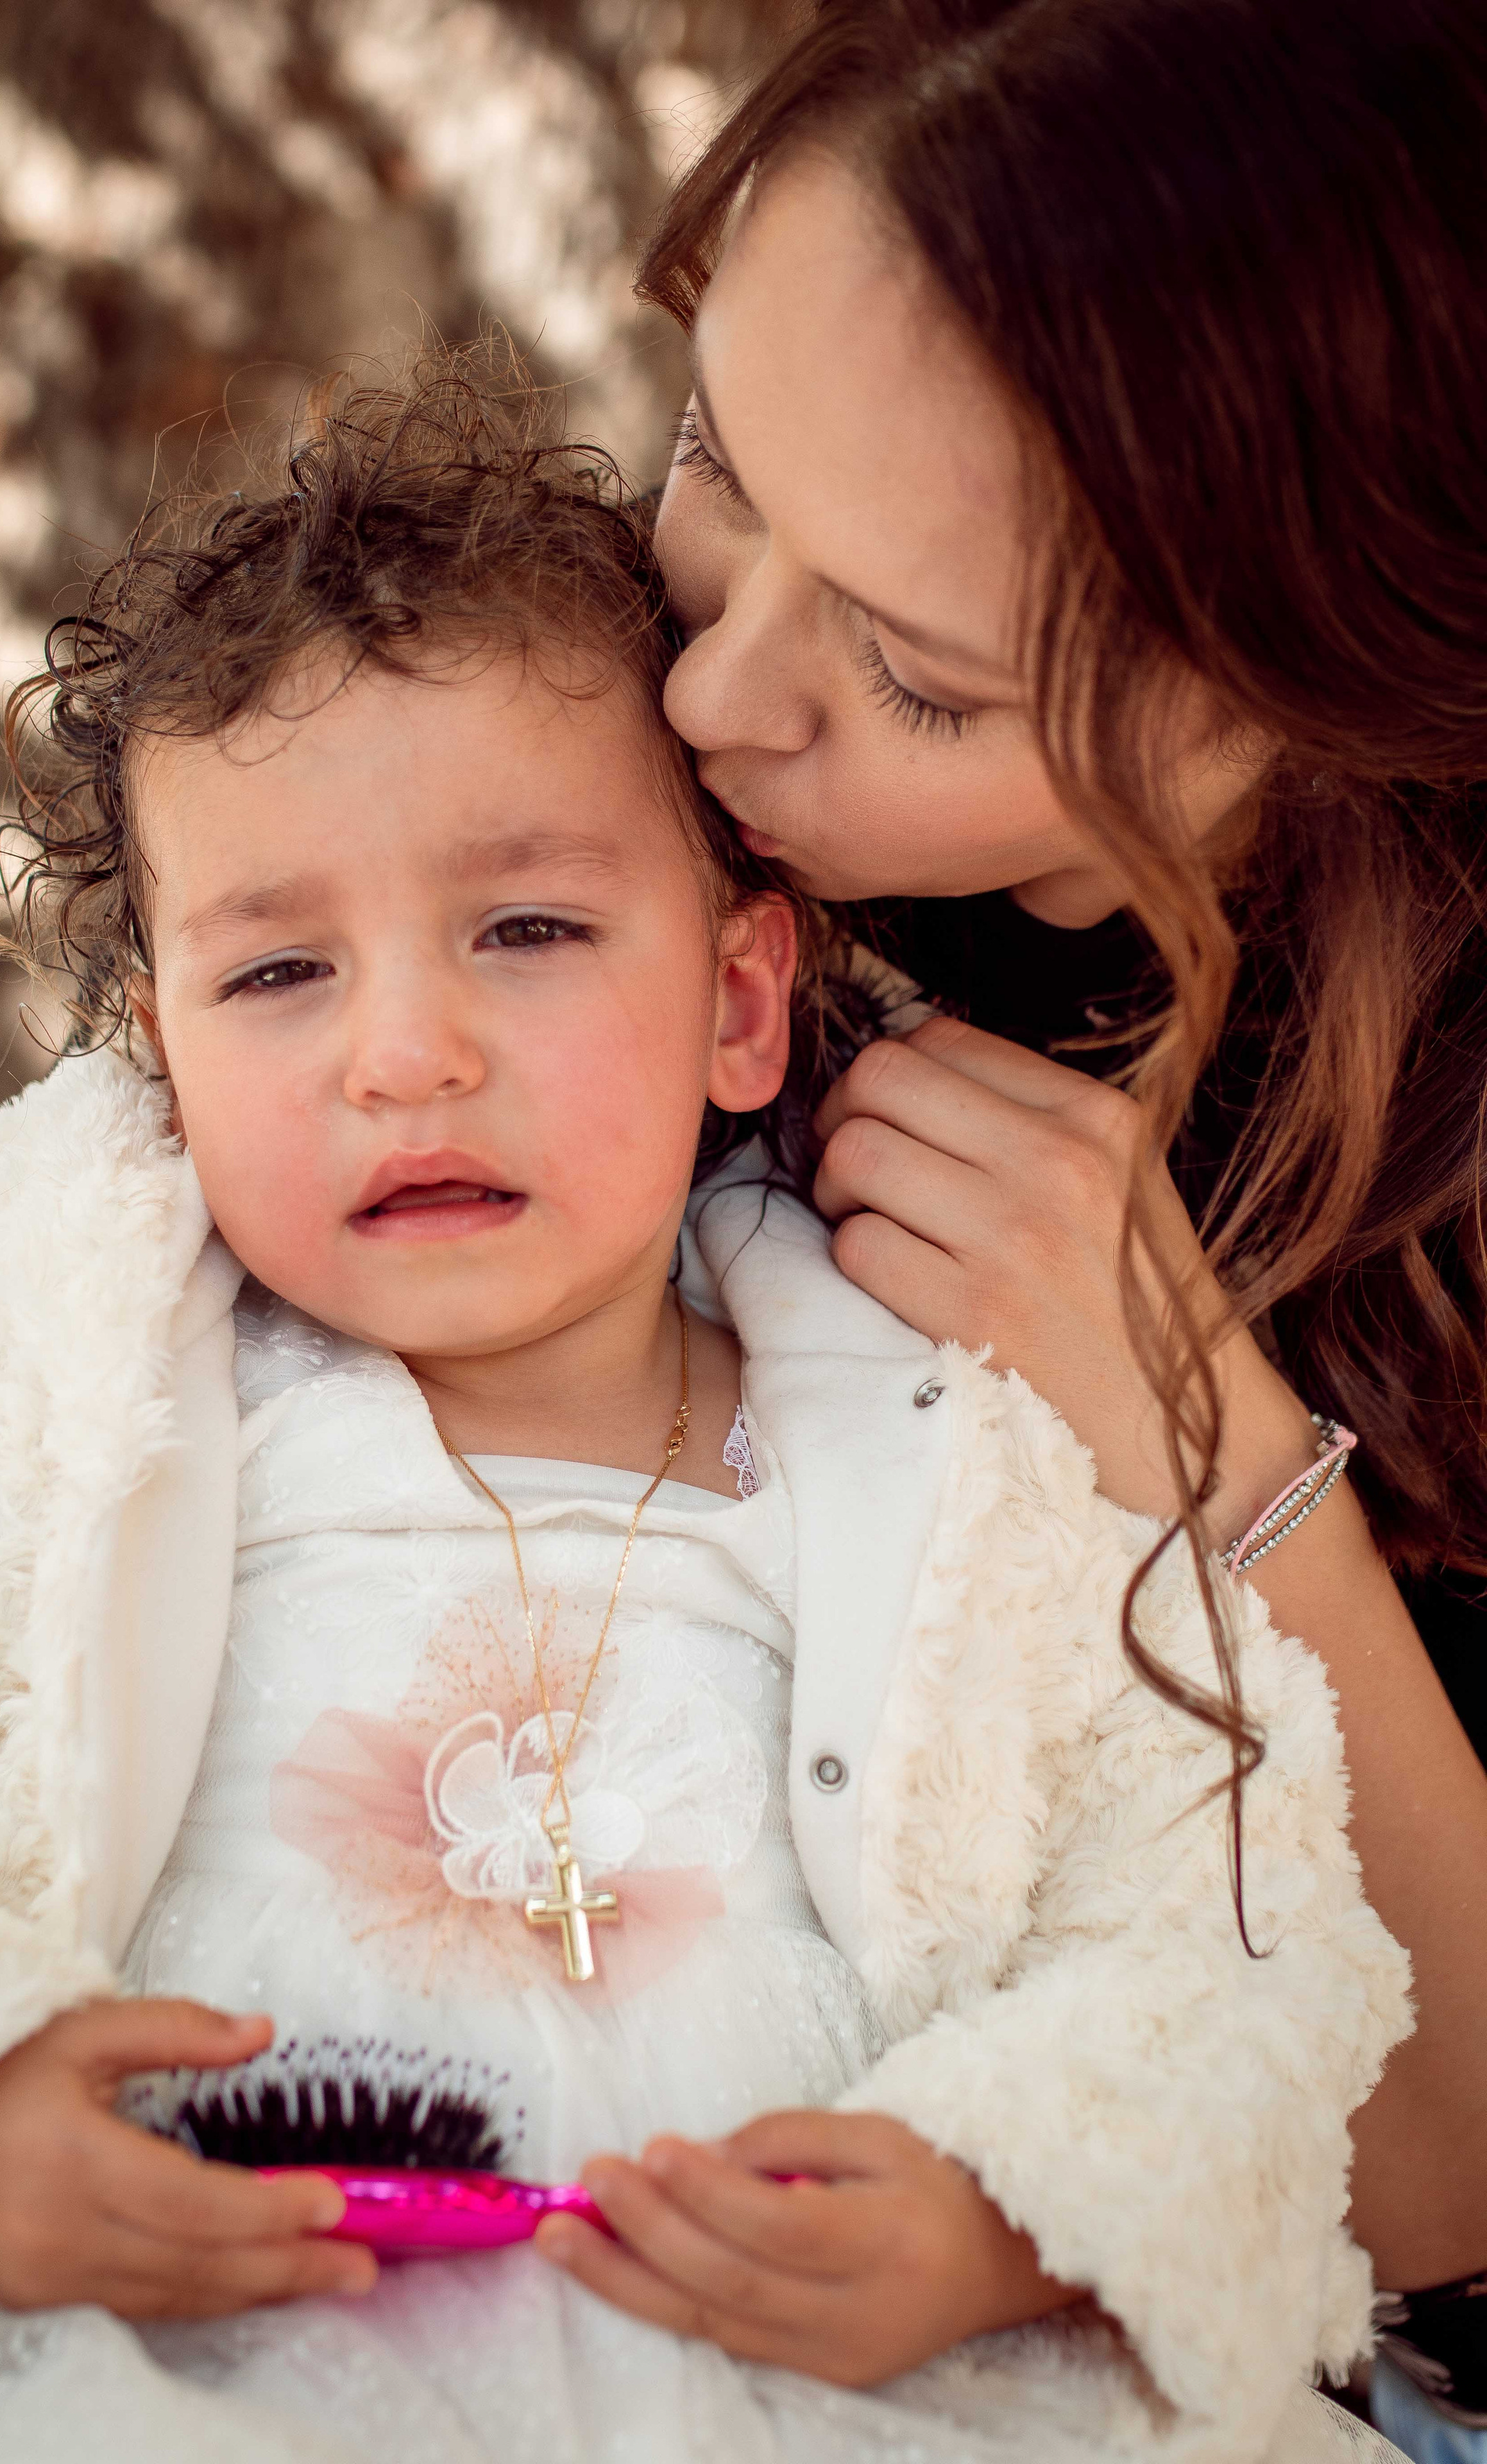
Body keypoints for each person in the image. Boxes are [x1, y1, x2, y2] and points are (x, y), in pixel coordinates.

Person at [0, 355, 1406, 2464]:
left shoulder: (966, 1461)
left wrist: (1014, 2205)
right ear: (160, 1049)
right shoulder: (25, 1417)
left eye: (529, 926)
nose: (404, 1052)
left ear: (742, 998)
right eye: (278, 974)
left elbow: (1227, 1914)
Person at [634, 0, 1487, 2451]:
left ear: (1320, 682)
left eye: (910, 677)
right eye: (716, 449)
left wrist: (1202, 1432)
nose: (706, 689)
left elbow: (1455, 2196)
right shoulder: (694, 660)